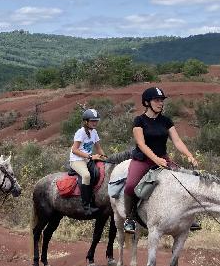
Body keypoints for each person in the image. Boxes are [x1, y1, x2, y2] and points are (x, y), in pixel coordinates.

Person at [123, 87, 199, 233]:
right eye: (157, 100)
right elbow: (141, 144)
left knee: (183, 182)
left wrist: (189, 155)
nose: (160, 103)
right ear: (147, 102)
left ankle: (187, 217)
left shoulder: (166, 121)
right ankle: (130, 219)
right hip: (143, 159)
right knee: (130, 185)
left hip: (163, 159)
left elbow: (177, 141)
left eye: (162, 100)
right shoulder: (139, 121)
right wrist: (155, 159)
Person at [69, 108, 107, 216]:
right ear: (86, 121)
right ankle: (85, 206)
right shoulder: (80, 133)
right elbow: (74, 150)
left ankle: (93, 200)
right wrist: (90, 156)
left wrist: (104, 158)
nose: (95, 123)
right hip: (77, 160)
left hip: (88, 159)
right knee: (86, 176)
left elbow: (98, 148)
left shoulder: (94, 132)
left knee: (98, 173)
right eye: (92, 121)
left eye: (96, 121)